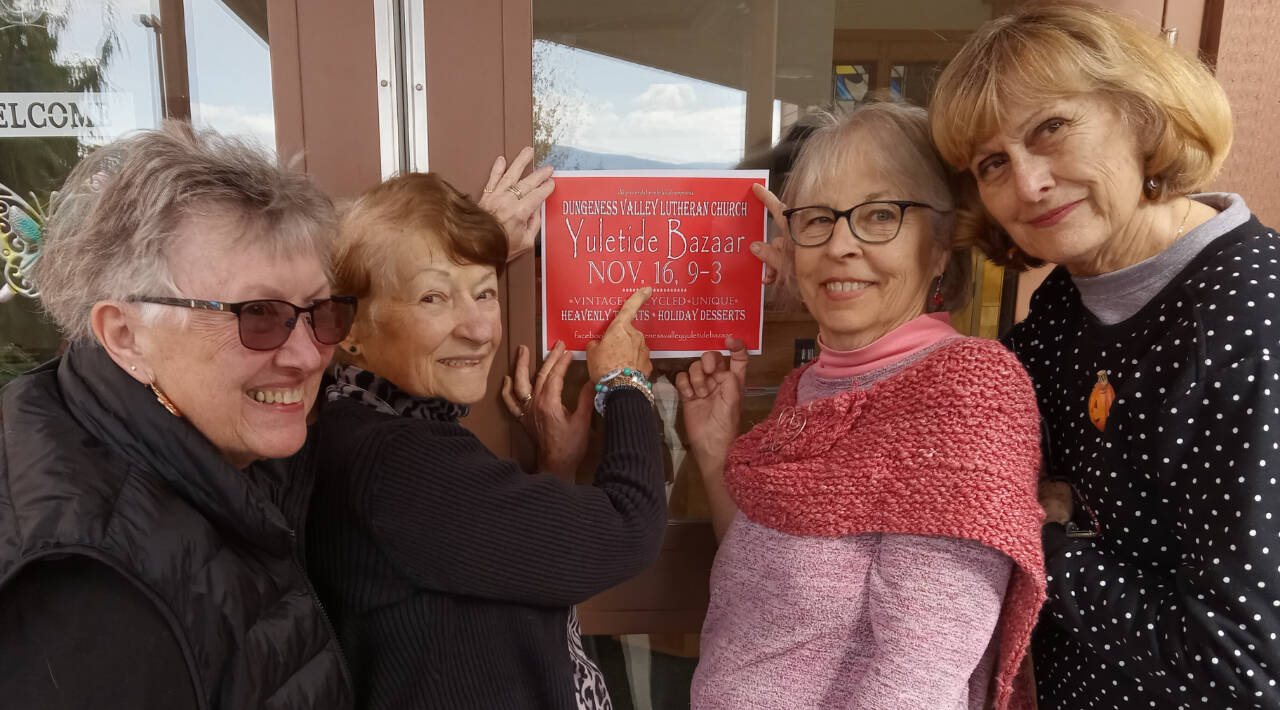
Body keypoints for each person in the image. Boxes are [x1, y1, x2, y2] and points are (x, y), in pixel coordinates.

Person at [928, 3, 1280, 708]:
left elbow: (1243, 668)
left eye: (1051, 128)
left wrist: (1039, 534)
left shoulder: (1251, 325)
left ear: (1141, 112)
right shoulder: (1071, 295)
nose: (1028, 185)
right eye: (994, 163)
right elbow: (972, 433)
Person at [680, 102, 1046, 710]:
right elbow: (760, 582)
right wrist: (716, 447)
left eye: (880, 215)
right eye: (816, 220)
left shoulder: (965, 391)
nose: (840, 246)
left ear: (939, 244)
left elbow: (916, 679)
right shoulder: (808, 387)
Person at [0, 122, 355, 709]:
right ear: (126, 336)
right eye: (258, 314)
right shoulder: (85, 597)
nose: (308, 354)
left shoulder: (174, 426)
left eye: (321, 311)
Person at [306, 172, 667, 710]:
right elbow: (629, 526)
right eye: (433, 297)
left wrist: (554, 470)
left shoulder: (358, 423)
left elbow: (487, 574)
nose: (478, 329)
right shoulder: (398, 465)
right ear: (348, 326)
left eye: (485, 293)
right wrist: (626, 384)